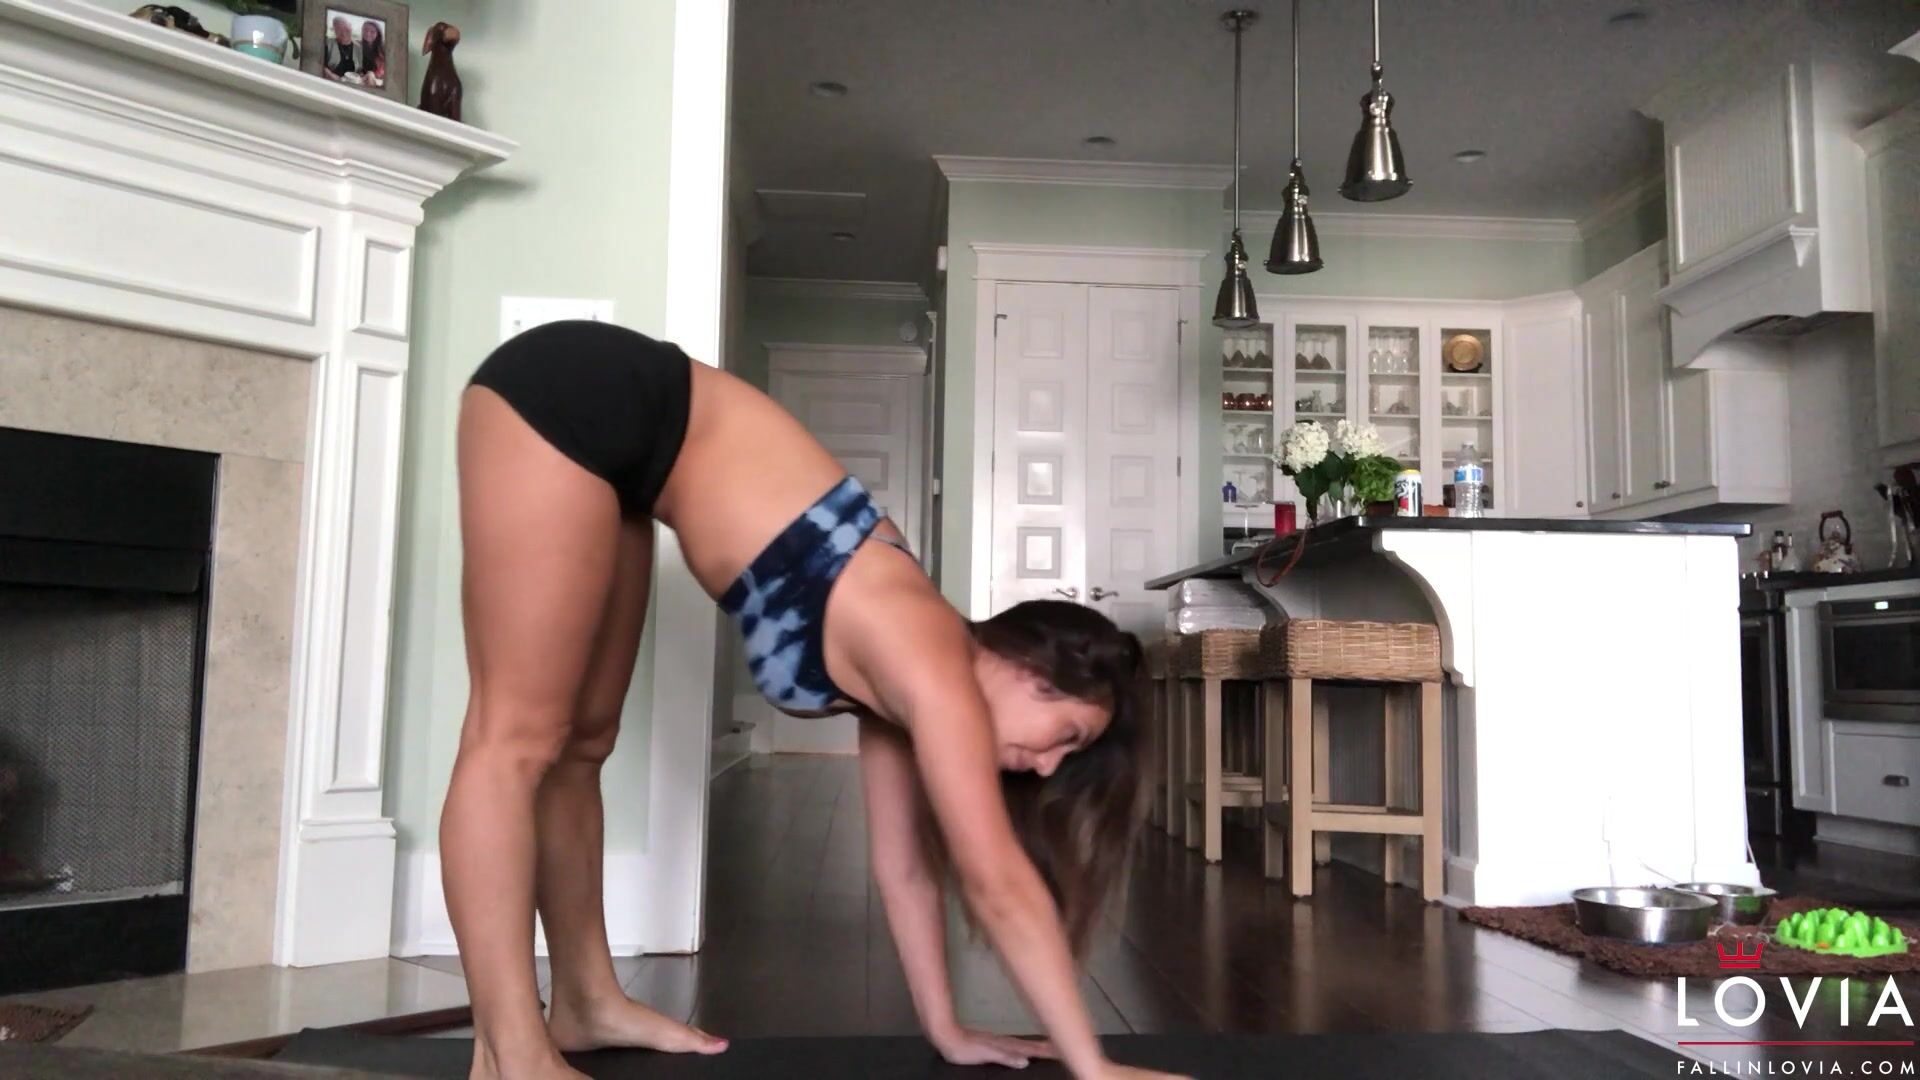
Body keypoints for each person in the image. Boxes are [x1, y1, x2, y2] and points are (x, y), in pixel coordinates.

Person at [443, 320, 1186, 1080]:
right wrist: (1093, 1068)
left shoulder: (908, 686)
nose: (1048, 767)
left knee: (583, 746)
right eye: (1067, 736)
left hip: (633, 456)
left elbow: (904, 870)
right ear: (1035, 669)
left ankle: (586, 1001)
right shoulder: (931, 660)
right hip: (577, 392)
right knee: (516, 739)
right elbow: (996, 882)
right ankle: (509, 1052)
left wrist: (947, 1028)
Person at [321, 15, 358, 81]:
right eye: (338, 29)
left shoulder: (359, 47)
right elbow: (319, 64)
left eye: (346, 28)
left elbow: (363, 69)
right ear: (334, 30)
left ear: (350, 27)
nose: (343, 33)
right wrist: (331, 75)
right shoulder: (327, 44)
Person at [358, 19, 386, 88]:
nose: (368, 33)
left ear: (378, 34)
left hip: (377, 82)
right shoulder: (358, 45)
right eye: (365, 30)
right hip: (360, 80)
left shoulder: (383, 48)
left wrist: (372, 75)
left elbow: (383, 70)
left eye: (372, 32)